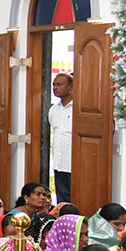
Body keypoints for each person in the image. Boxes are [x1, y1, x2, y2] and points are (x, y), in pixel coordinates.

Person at [49, 73, 73, 203]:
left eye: (59, 84)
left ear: (70, 87)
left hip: (73, 164)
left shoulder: (77, 109)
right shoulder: (53, 110)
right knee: (62, 201)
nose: (55, 88)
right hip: (59, 164)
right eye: (54, 85)